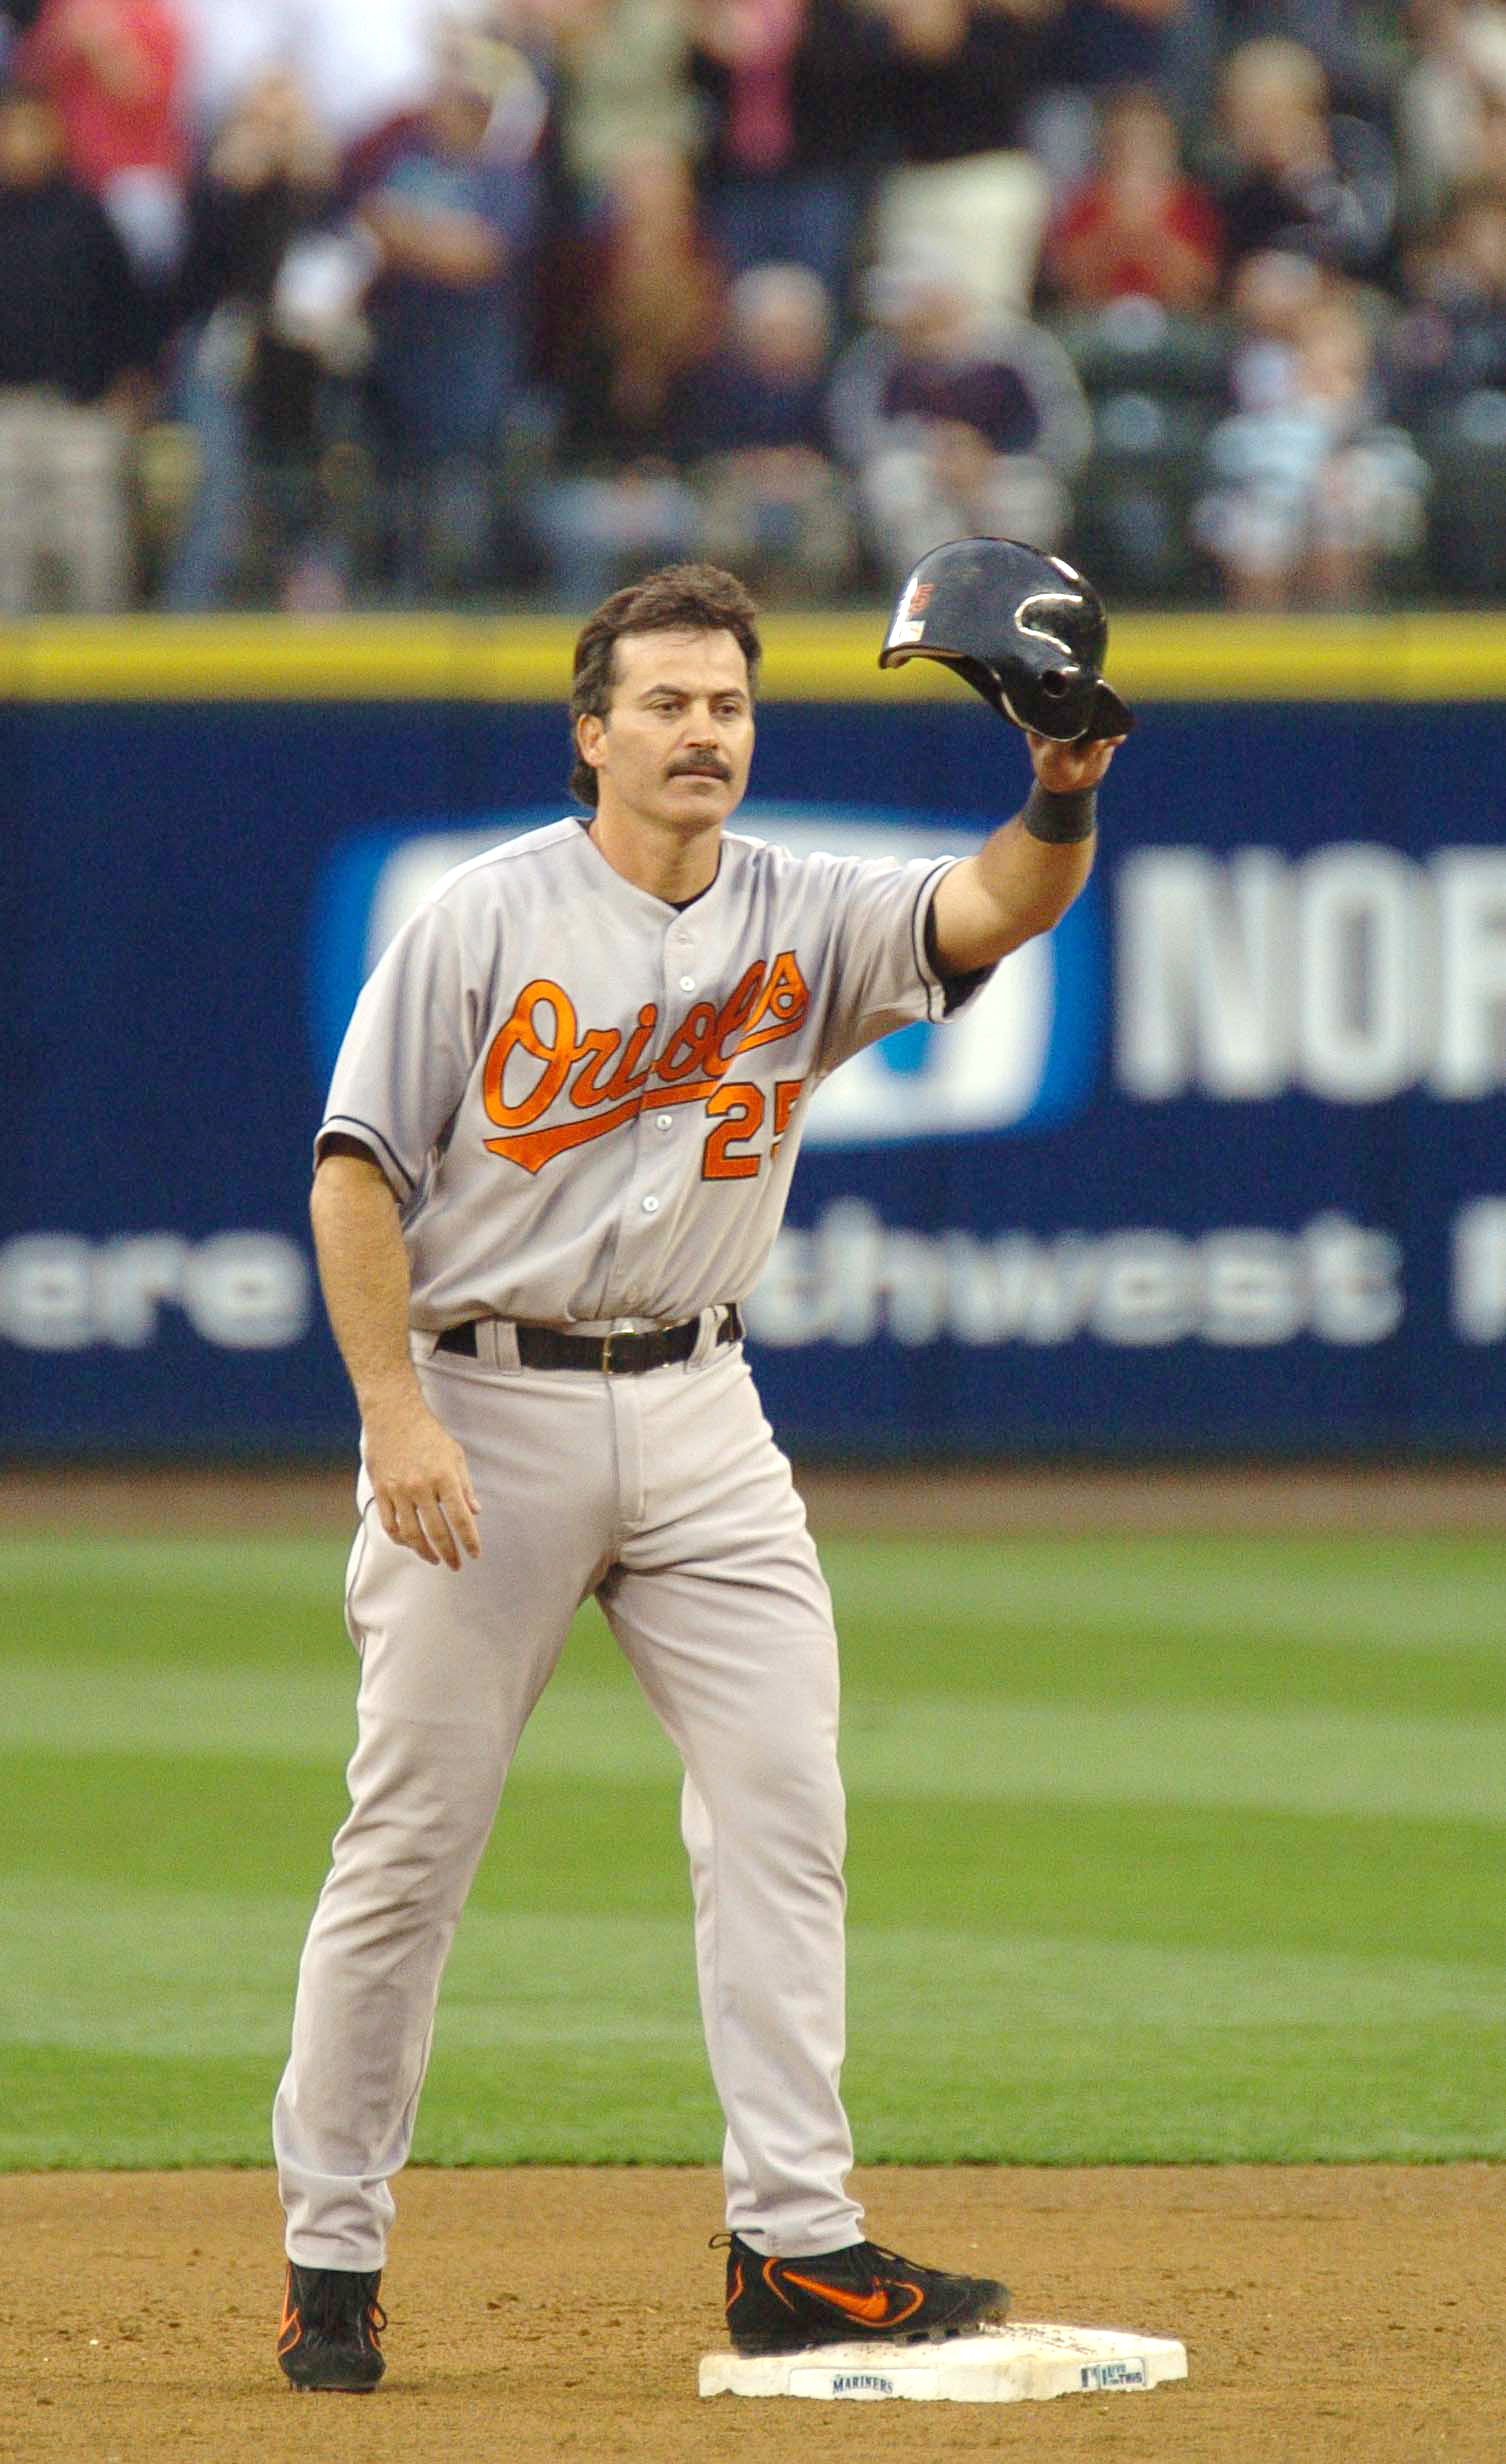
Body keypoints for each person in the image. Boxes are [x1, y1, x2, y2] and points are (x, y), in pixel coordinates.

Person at [272, 557, 1124, 2393]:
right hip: (477, 1405)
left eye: (725, 703)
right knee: (407, 1850)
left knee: (780, 1805)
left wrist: (1060, 782)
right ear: (591, 736)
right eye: (662, 702)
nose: (699, 732)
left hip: (703, 1412)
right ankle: (327, 2259)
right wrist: (392, 1418)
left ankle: (796, 2247)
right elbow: (355, 1172)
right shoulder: (482, 917)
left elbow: (997, 904)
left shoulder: (802, 910)